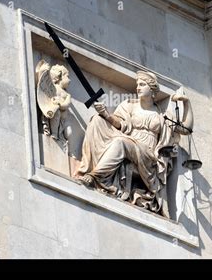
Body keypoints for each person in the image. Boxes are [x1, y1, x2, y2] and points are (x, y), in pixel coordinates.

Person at [74, 70, 193, 217]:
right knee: (97, 120)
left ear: (152, 89)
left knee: (121, 142)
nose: (138, 88)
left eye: (142, 85)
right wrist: (106, 115)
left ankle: (95, 176)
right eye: (137, 84)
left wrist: (186, 103)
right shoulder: (129, 105)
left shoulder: (163, 116)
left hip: (148, 155)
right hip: (129, 143)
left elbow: (186, 128)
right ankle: (89, 167)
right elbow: (121, 125)